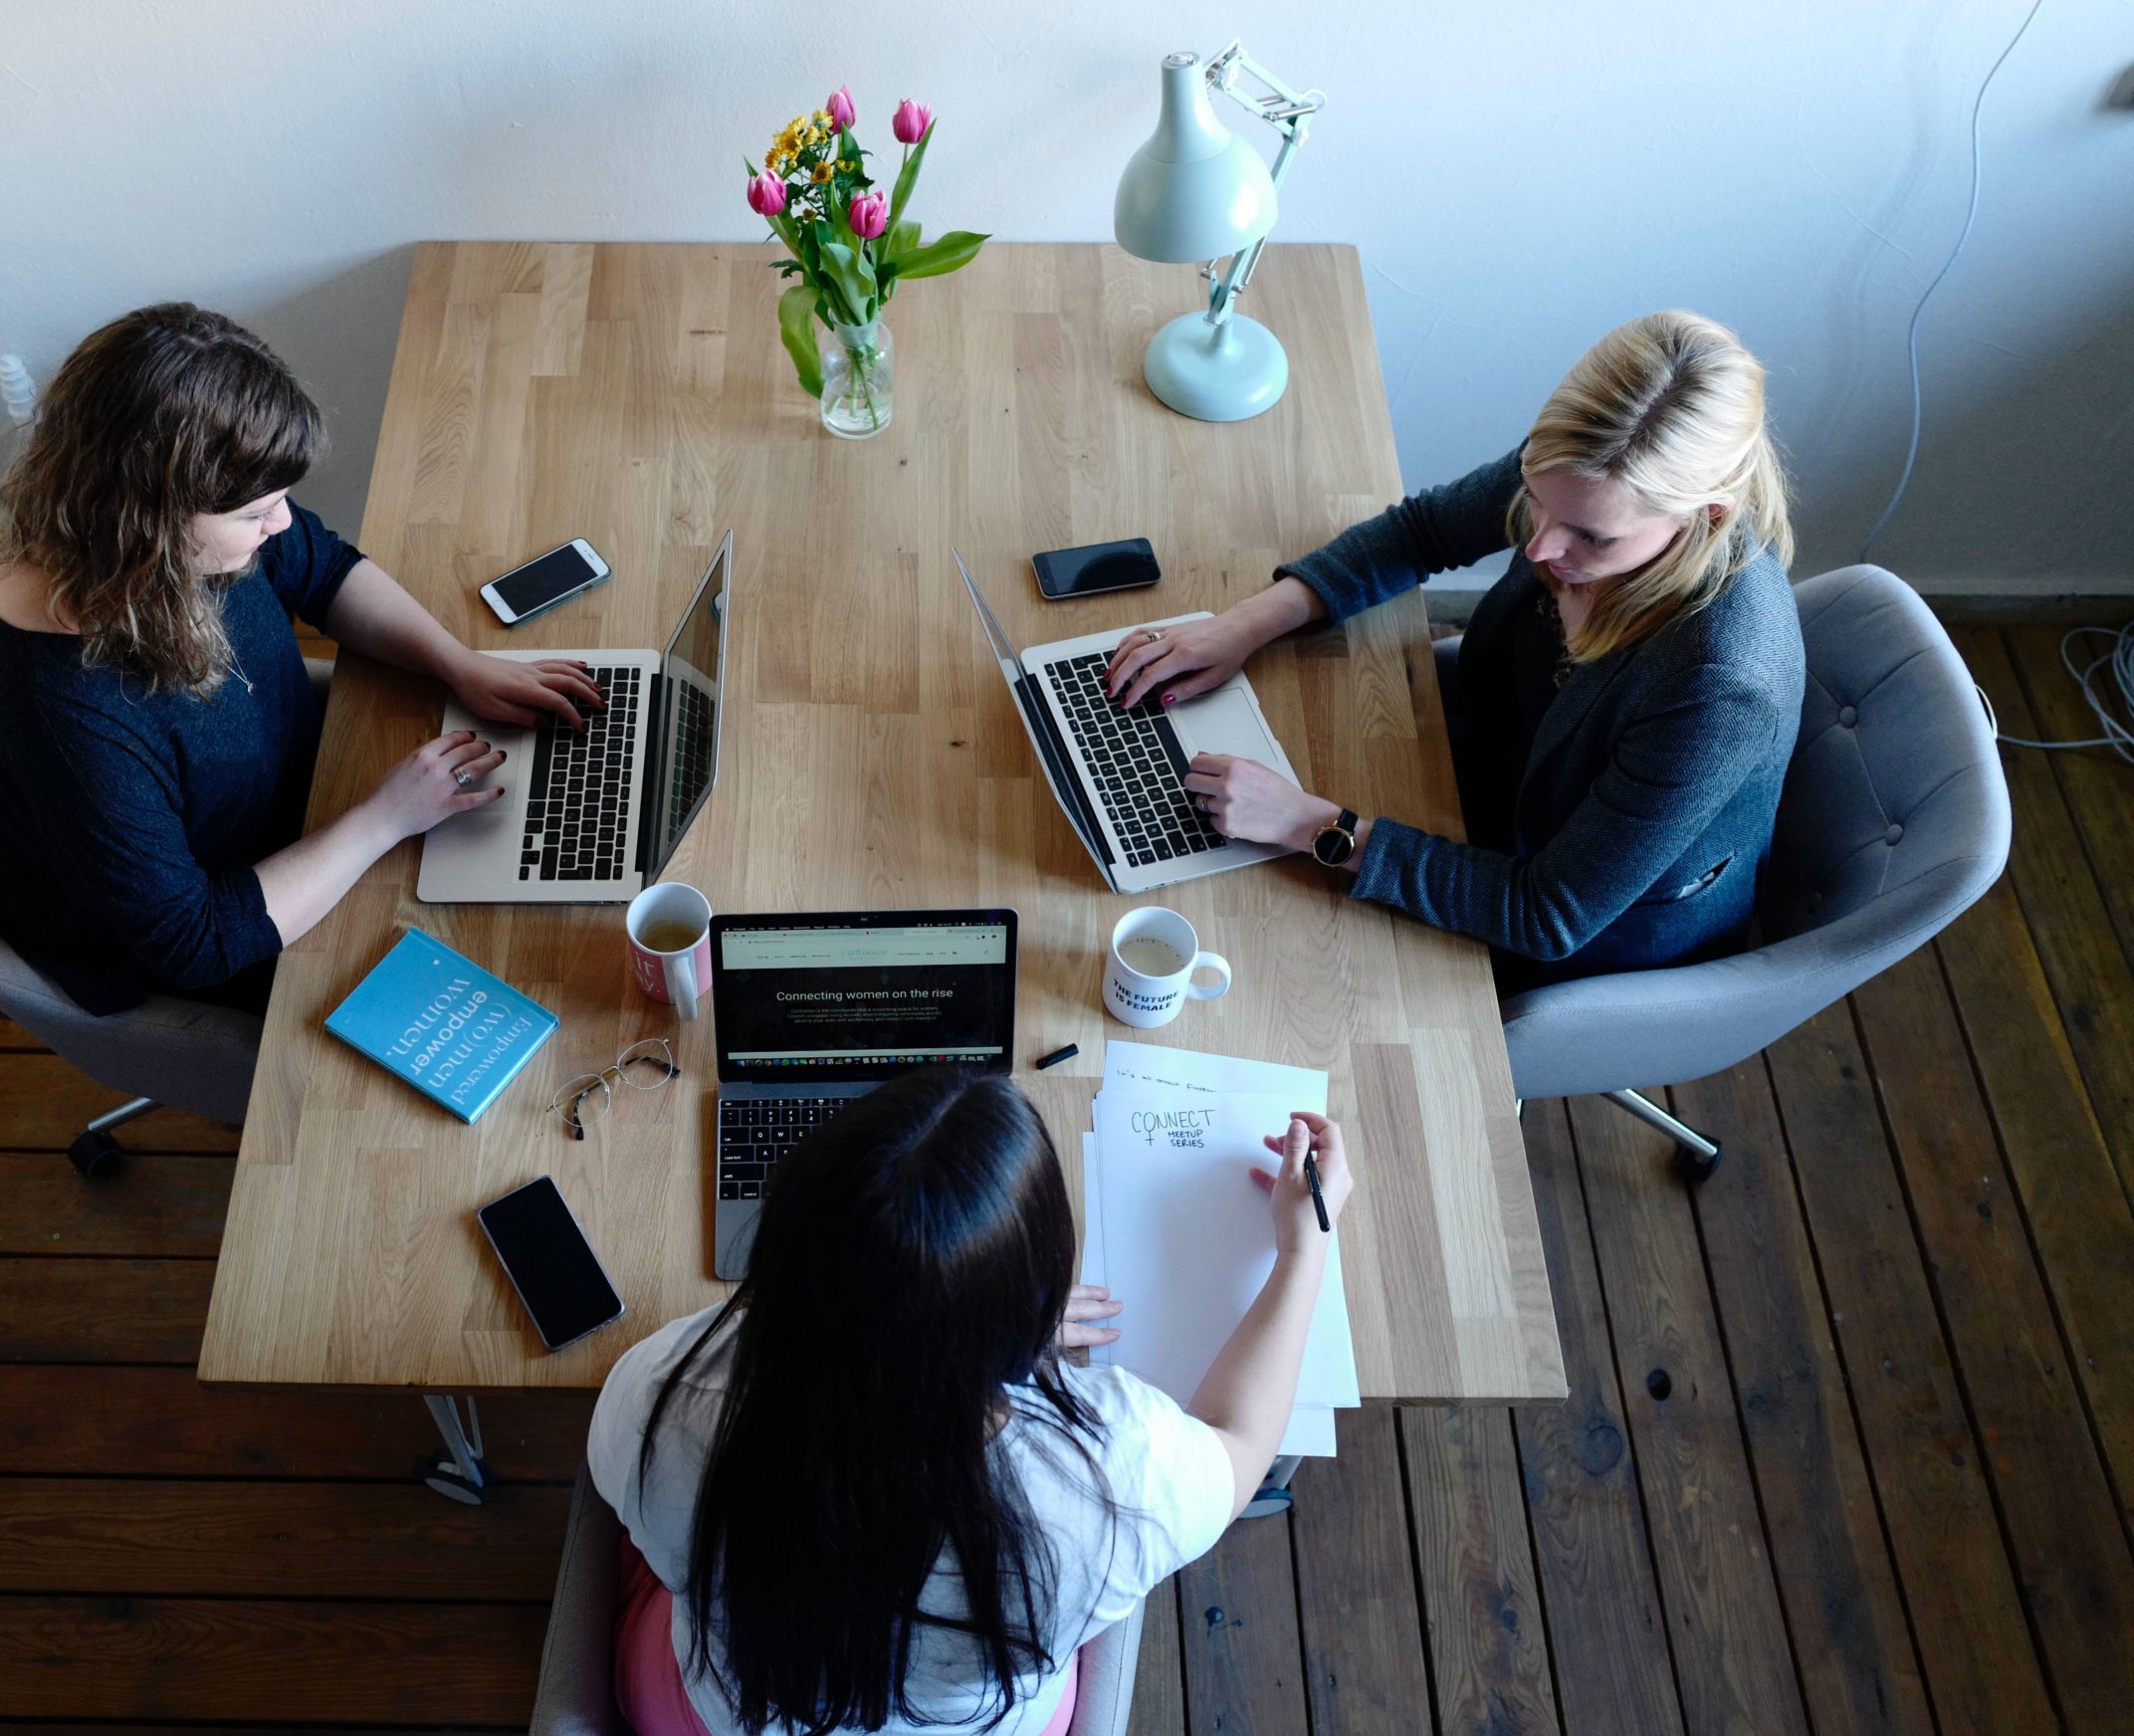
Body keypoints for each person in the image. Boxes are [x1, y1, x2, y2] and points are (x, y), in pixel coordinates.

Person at [588, 1068, 1353, 1736]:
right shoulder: (1113, 1479)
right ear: (1032, 1305)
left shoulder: (659, 1391)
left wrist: (954, 1320)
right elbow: (1240, 1441)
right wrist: (1301, 1247)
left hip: (714, 1714)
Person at [1104, 310, 1804, 989]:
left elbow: (1546, 913)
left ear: (1705, 515)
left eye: (1590, 538)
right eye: (1536, 499)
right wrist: (1243, 625)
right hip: (1487, 770)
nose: (1539, 547)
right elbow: (1423, 532)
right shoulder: (1583, 466)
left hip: (1577, 933)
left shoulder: (1719, 685)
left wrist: (1307, 822)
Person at [0, 303, 602, 1014]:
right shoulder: (59, 718)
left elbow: (321, 570)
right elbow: (194, 942)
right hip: (233, 922)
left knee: (546, 877)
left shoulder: (158, 547)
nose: (281, 523)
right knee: (531, 967)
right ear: (150, 520)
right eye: (257, 513)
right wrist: (383, 819)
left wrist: (456, 662)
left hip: (312, 798)